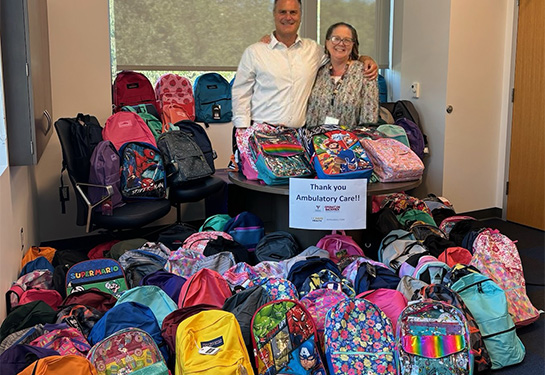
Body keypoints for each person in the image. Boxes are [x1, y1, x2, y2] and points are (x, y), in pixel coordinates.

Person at [231, 0, 378, 130]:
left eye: (293, 12)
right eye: (283, 12)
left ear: (300, 16)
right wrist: (242, 129)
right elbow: (241, 93)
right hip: (261, 134)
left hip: (299, 137)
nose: (288, 17)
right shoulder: (256, 51)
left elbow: (339, 54)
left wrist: (365, 58)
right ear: (274, 14)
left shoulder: (314, 50)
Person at [305, 22, 379, 128]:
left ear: (353, 44)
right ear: (327, 42)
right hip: (315, 140)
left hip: (349, 142)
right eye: (336, 38)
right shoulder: (317, 70)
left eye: (347, 40)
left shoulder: (365, 73)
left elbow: (369, 121)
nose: (341, 43)